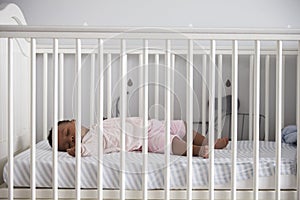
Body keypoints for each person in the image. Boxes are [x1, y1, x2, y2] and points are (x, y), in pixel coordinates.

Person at [47, 117, 228, 158]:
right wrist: (78, 150)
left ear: (74, 121)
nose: (70, 139)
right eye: (66, 144)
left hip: (151, 125)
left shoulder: (97, 125)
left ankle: (207, 141)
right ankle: (199, 150)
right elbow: (92, 150)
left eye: (67, 133)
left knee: (182, 126)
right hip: (144, 140)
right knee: (172, 144)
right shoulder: (90, 141)